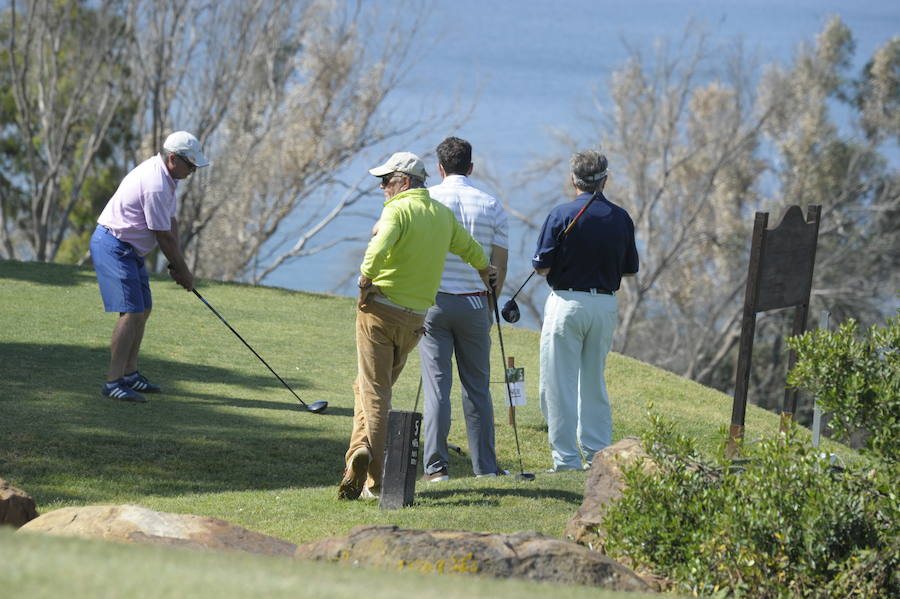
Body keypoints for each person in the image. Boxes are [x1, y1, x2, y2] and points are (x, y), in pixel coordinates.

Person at [339, 151, 494, 500]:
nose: (382, 188)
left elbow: (377, 250)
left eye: (386, 182)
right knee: (364, 386)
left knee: (375, 393)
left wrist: (365, 280)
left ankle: (376, 483)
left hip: (379, 312)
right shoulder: (441, 214)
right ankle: (358, 451)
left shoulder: (397, 209)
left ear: (404, 182)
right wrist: (486, 270)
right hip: (414, 320)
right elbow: (472, 250)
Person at [531, 150, 638, 472]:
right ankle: (596, 454)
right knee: (594, 382)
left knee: (559, 383)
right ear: (604, 180)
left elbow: (540, 266)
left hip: (567, 303)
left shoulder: (561, 214)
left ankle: (565, 461)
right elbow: (630, 270)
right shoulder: (621, 217)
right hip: (604, 305)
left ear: (572, 179)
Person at [89, 131, 209, 402]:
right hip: (114, 245)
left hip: (128, 249)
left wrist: (177, 264)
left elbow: (171, 223)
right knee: (130, 313)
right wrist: (184, 271)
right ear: (172, 159)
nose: (193, 171)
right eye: (190, 165)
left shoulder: (168, 179)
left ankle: (130, 374)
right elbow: (162, 235)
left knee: (143, 308)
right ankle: (113, 382)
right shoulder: (156, 183)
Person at [418, 137, 509, 482]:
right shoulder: (491, 205)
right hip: (474, 303)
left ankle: (436, 468)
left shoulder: (427, 201)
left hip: (433, 303)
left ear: (439, 168)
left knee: (437, 388)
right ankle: (485, 468)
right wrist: (489, 305)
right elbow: (497, 266)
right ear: (471, 167)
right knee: (477, 387)